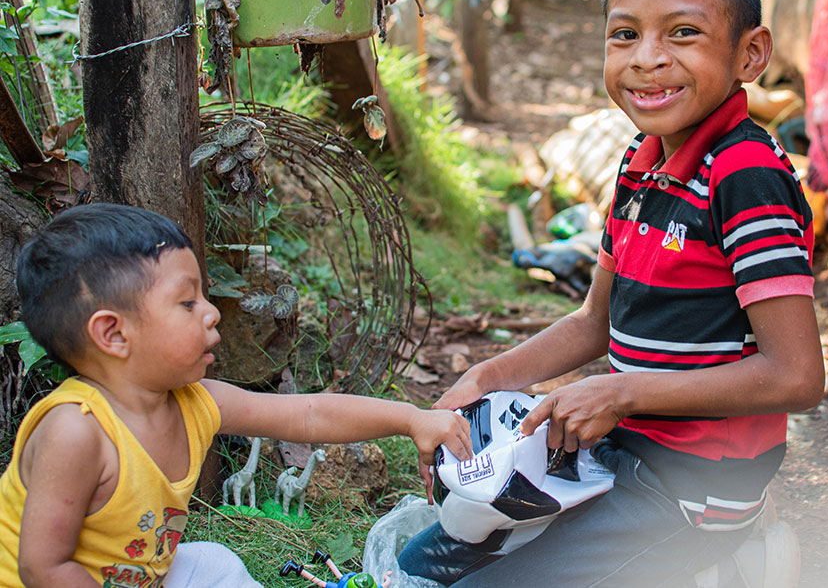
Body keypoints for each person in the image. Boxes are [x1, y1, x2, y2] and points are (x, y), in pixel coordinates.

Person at [397, 0, 824, 588]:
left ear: (750, 53)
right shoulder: (638, 164)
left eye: (682, 33)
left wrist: (624, 390)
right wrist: (491, 375)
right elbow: (596, 319)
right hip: (621, 453)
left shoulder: (745, 176)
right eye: (625, 34)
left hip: (695, 488)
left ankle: (733, 556)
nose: (647, 58)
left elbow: (797, 374)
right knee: (423, 563)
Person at [0, 203, 473, 587]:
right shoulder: (75, 431)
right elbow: (44, 569)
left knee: (214, 563)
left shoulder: (194, 402)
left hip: (139, 574)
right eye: (188, 302)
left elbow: (307, 414)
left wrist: (411, 417)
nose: (211, 313)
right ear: (113, 334)